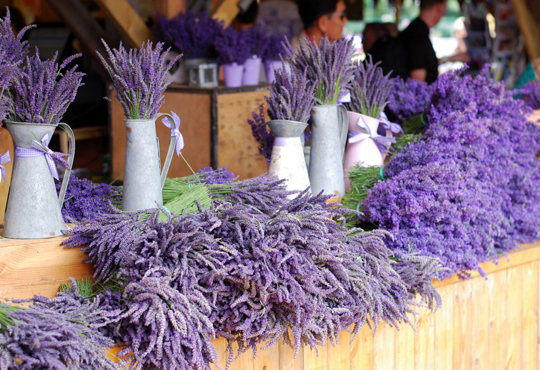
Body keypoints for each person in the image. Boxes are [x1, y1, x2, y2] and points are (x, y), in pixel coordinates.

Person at [399, 0, 447, 83]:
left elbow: (424, 61)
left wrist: (451, 59)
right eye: (445, 8)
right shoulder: (418, 34)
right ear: (439, 7)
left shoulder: (416, 30)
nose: (444, 14)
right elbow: (417, 80)